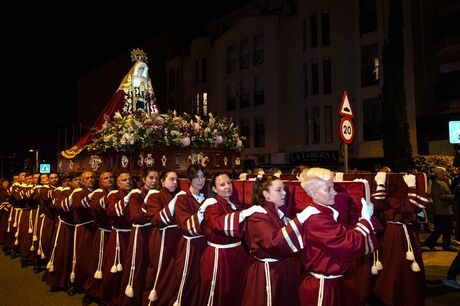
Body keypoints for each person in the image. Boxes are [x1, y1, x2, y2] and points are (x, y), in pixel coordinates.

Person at [297, 168, 378, 306]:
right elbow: (349, 246)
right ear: (314, 193)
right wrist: (365, 219)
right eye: (328, 189)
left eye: (333, 187)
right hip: (325, 287)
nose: (334, 192)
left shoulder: (325, 214)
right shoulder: (317, 220)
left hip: (337, 282)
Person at [241, 175, 319, 306]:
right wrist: (300, 220)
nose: (284, 193)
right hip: (268, 272)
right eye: (278, 190)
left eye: (284, 189)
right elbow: (274, 242)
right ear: (265, 194)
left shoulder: (277, 214)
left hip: (282, 269)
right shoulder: (258, 216)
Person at [199, 171, 266, 306]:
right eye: (222, 184)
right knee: (218, 293)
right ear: (214, 189)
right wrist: (245, 213)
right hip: (219, 256)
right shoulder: (212, 205)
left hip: (236, 254)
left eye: (229, 182)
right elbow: (217, 223)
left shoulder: (233, 204)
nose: (227, 186)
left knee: (236, 291)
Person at [143, 170, 184, 306]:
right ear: (162, 181)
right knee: (159, 272)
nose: (175, 182)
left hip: (176, 239)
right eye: (171, 179)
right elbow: (157, 220)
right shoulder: (155, 196)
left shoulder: (178, 196)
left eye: (176, 180)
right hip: (162, 238)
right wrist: (175, 202)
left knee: (173, 273)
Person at [119, 167, 159, 306]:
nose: (154, 181)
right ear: (143, 179)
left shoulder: (158, 193)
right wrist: (147, 200)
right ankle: (130, 301)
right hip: (140, 234)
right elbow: (136, 216)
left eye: (156, 178)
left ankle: (145, 299)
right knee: (136, 266)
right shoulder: (136, 194)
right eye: (150, 178)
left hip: (154, 233)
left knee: (150, 266)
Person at [172, 164, 209, 306]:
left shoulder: (205, 198)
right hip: (190, 245)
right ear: (189, 179)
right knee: (186, 279)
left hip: (205, 244)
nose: (200, 180)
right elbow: (185, 226)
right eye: (196, 177)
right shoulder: (182, 199)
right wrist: (202, 210)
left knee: (202, 279)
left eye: (203, 177)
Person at [424, 166, 456, 251]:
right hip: (441, 210)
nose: (445, 174)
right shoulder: (436, 183)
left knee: (447, 229)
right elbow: (441, 195)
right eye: (443, 172)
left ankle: (446, 245)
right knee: (440, 229)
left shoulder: (442, 181)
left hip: (446, 209)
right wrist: (454, 197)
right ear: (437, 173)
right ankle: (430, 242)